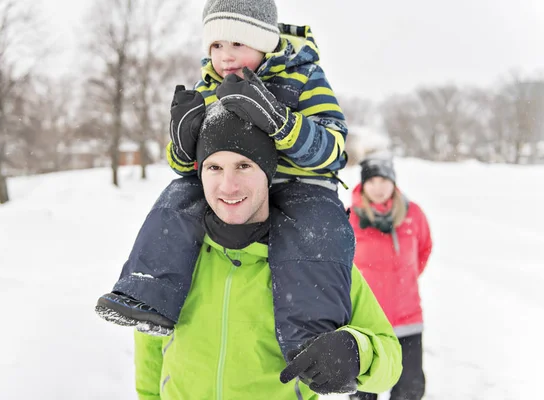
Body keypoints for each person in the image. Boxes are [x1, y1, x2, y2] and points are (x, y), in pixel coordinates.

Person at [96, 0, 356, 358]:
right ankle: (149, 292)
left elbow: (334, 149)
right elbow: (187, 167)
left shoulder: (302, 77)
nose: (226, 57)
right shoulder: (208, 87)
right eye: (217, 46)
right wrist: (182, 145)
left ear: (265, 41)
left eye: (237, 43)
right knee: (178, 197)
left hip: (299, 184)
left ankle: (312, 339)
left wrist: (281, 122)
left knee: (315, 233)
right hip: (231, 186)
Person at [133, 103, 402, 400]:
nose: (228, 185)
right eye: (215, 167)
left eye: (244, 166)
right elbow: (150, 350)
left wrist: (357, 351)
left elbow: (390, 358)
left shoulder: (314, 257)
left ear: (268, 171)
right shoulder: (177, 252)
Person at [347, 153, 433, 400]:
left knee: (410, 387)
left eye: (383, 180)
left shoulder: (413, 213)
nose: (378, 188)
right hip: (366, 322)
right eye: (372, 181)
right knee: (364, 390)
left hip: (408, 317)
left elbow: (425, 247)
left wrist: (405, 279)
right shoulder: (350, 217)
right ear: (364, 184)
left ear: (393, 182)